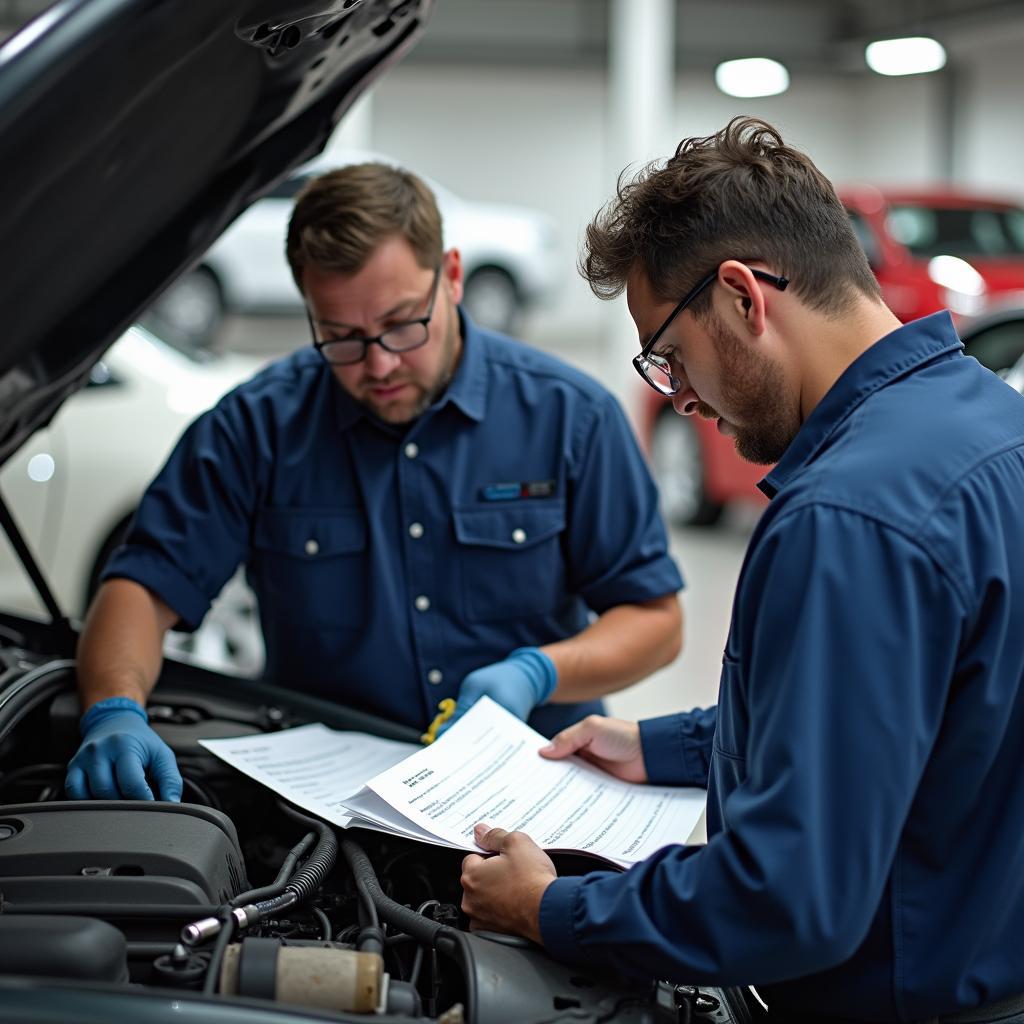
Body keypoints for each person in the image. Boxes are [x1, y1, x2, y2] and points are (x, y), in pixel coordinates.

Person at [459, 117, 1024, 1023]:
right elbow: (923, 708)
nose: (678, 396)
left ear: (742, 296)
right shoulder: (995, 428)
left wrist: (549, 906)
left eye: (670, 355)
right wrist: (661, 747)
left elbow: (789, 899)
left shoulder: (846, 518)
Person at [64, 161, 684, 804]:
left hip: (531, 786)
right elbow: (139, 589)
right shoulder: (254, 428)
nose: (380, 364)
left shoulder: (568, 417)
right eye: (343, 338)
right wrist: (113, 709)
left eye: (401, 323)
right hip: (331, 809)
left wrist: (541, 671)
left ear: (450, 275)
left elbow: (655, 621)